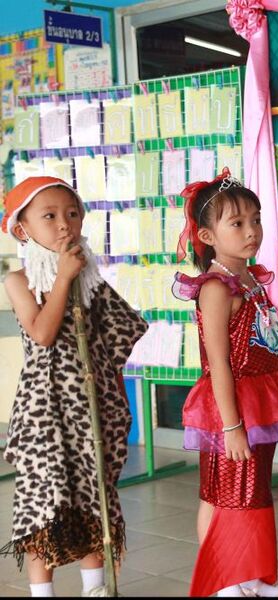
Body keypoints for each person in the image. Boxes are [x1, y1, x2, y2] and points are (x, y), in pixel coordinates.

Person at [172, 168, 278, 597]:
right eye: (237, 223)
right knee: (223, 494)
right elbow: (218, 363)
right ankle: (224, 583)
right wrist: (232, 426)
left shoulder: (252, 277)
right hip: (230, 407)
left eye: (255, 219)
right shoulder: (215, 288)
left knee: (253, 491)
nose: (251, 230)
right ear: (207, 235)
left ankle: (251, 576)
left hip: (260, 400)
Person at [1, 177, 148, 597]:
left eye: (72, 213)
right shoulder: (19, 281)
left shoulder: (90, 281)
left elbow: (124, 330)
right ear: (23, 229)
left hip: (91, 406)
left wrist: (107, 388)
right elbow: (43, 334)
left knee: (93, 496)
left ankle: (95, 588)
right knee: (43, 505)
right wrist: (63, 280)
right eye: (49, 216)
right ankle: (42, 592)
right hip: (45, 412)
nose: (65, 224)